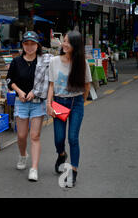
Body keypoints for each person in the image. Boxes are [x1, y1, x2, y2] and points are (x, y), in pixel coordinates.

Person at [46, 30, 92, 187]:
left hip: (76, 103)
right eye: (64, 41)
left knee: (73, 138)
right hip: (58, 102)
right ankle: (61, 154)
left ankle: (73, 172)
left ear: (76, 46)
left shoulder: (82, 63)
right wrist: (49, 104)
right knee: (59, 139)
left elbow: (87, 85)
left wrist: (81, 102)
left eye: (68, 42)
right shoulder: (54, 61)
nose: (64, 44)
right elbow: (51, 84)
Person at [6, 31, 52, 182]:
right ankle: (23, 155)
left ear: (37, 45)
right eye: (27, 43)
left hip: (37, 102)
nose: (30, 47)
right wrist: (19, 92)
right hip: (21, 102)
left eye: (33, 44)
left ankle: (34, 168)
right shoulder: (16, 62)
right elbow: (9, 80)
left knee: (35, 136)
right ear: (23, 45)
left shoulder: (44, 62)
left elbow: (47, 81)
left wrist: (34, 92)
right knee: (21, 135)